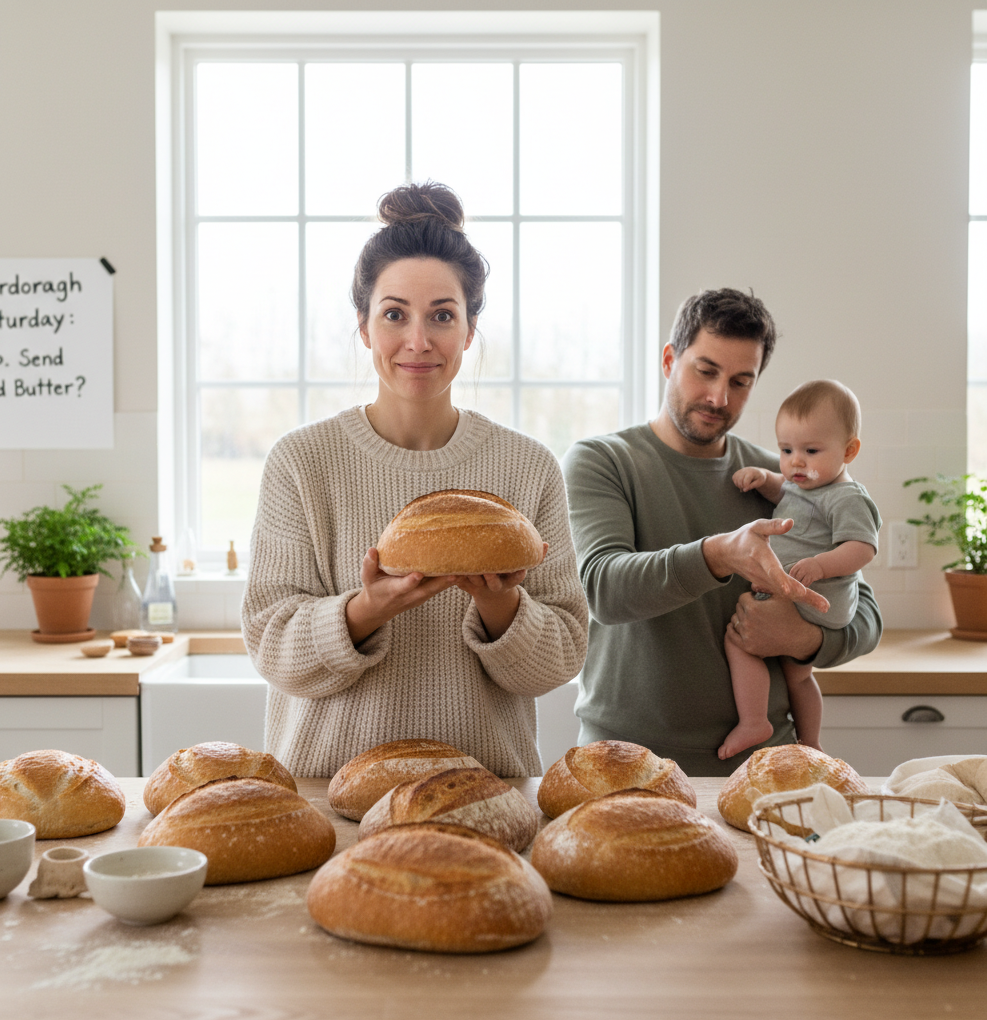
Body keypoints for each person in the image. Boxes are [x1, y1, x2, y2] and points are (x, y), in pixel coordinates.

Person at [242, 181, 588, 779]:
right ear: (364, 326)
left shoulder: (528, 468)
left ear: (470, 331)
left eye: (443, 316)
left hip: (485, 794)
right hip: (329, 796)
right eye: (395, 314)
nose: (418, 341)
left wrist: (500, 603)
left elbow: (561, 658)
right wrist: (364, 611)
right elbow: (271, 647)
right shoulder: (302, 462)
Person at [561, 288, 882, 776]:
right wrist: (717, 555)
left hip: (765, 764)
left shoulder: (782, 477)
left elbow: (867, 616)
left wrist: (803, 640)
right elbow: (604, 589)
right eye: (705, 371)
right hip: (626, 762)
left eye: (740, 381)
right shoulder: (603, 462)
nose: (719, 397)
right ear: (670, 360)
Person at [718, 379, 881, 760]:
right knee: (798, 674)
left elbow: (862, 548)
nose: (796, 462)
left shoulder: (846, 497)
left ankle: (754, 720)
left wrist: (821, 565)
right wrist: (765, 479)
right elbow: (785, 493)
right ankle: (811, 741)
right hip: (800, 594)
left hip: (816, 597)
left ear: (849, 450)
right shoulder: (804, 485)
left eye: (810, 450)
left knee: (739, 641)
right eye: (786, 450)